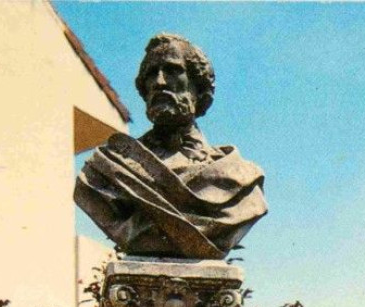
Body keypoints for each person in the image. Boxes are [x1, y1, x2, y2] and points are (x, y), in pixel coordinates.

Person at [74, 33, 267, 259]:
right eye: (151, 74)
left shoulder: (242, 178)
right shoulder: (104, 171)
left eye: (173, 70)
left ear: (199, 86)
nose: (159, 82)